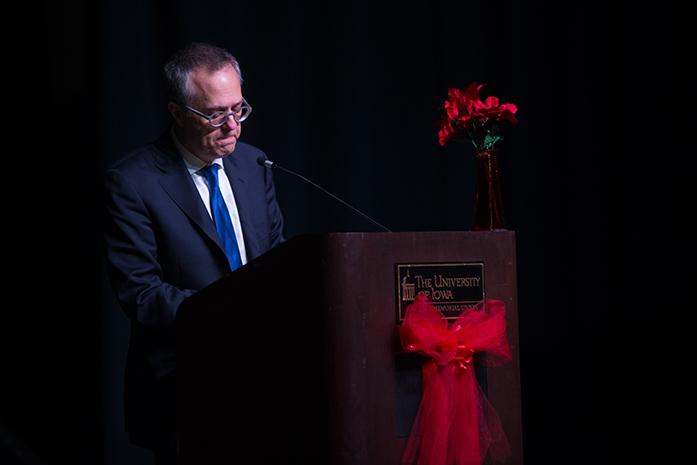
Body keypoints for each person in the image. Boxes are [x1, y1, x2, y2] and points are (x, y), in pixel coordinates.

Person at [102, 42, 285, 464]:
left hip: (266, 381)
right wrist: (230, 313)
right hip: (185, 390)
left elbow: (277, 260)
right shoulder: (131, 182)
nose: (232, 126)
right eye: (215, 114)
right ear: (177, 111)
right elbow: (142, 295)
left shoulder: (255, 166)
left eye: (238, 109)